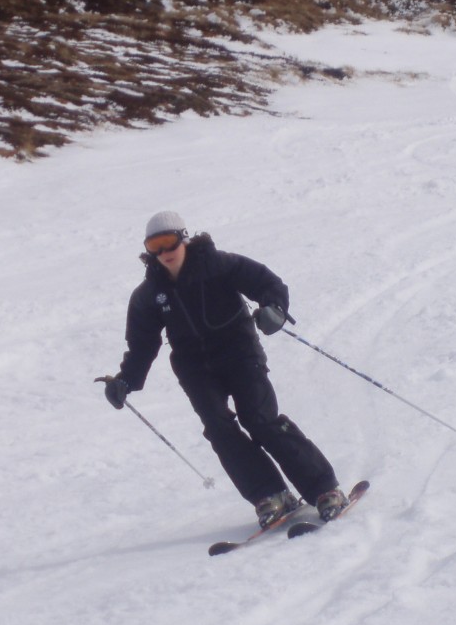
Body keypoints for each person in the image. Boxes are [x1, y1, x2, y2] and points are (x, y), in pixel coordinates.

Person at [99, 210, 350, 528]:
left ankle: (324, 489)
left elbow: (268, 284)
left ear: (184, 238)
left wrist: (274, 309)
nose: (164, 252)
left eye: (169, 242)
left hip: (240, 354)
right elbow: (142, 344)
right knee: (219, 429)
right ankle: (271, 495)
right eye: (154, 246)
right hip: (195, 369)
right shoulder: (149, 294)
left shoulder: (219, 265)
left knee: (259, 420)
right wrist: (126, 380)